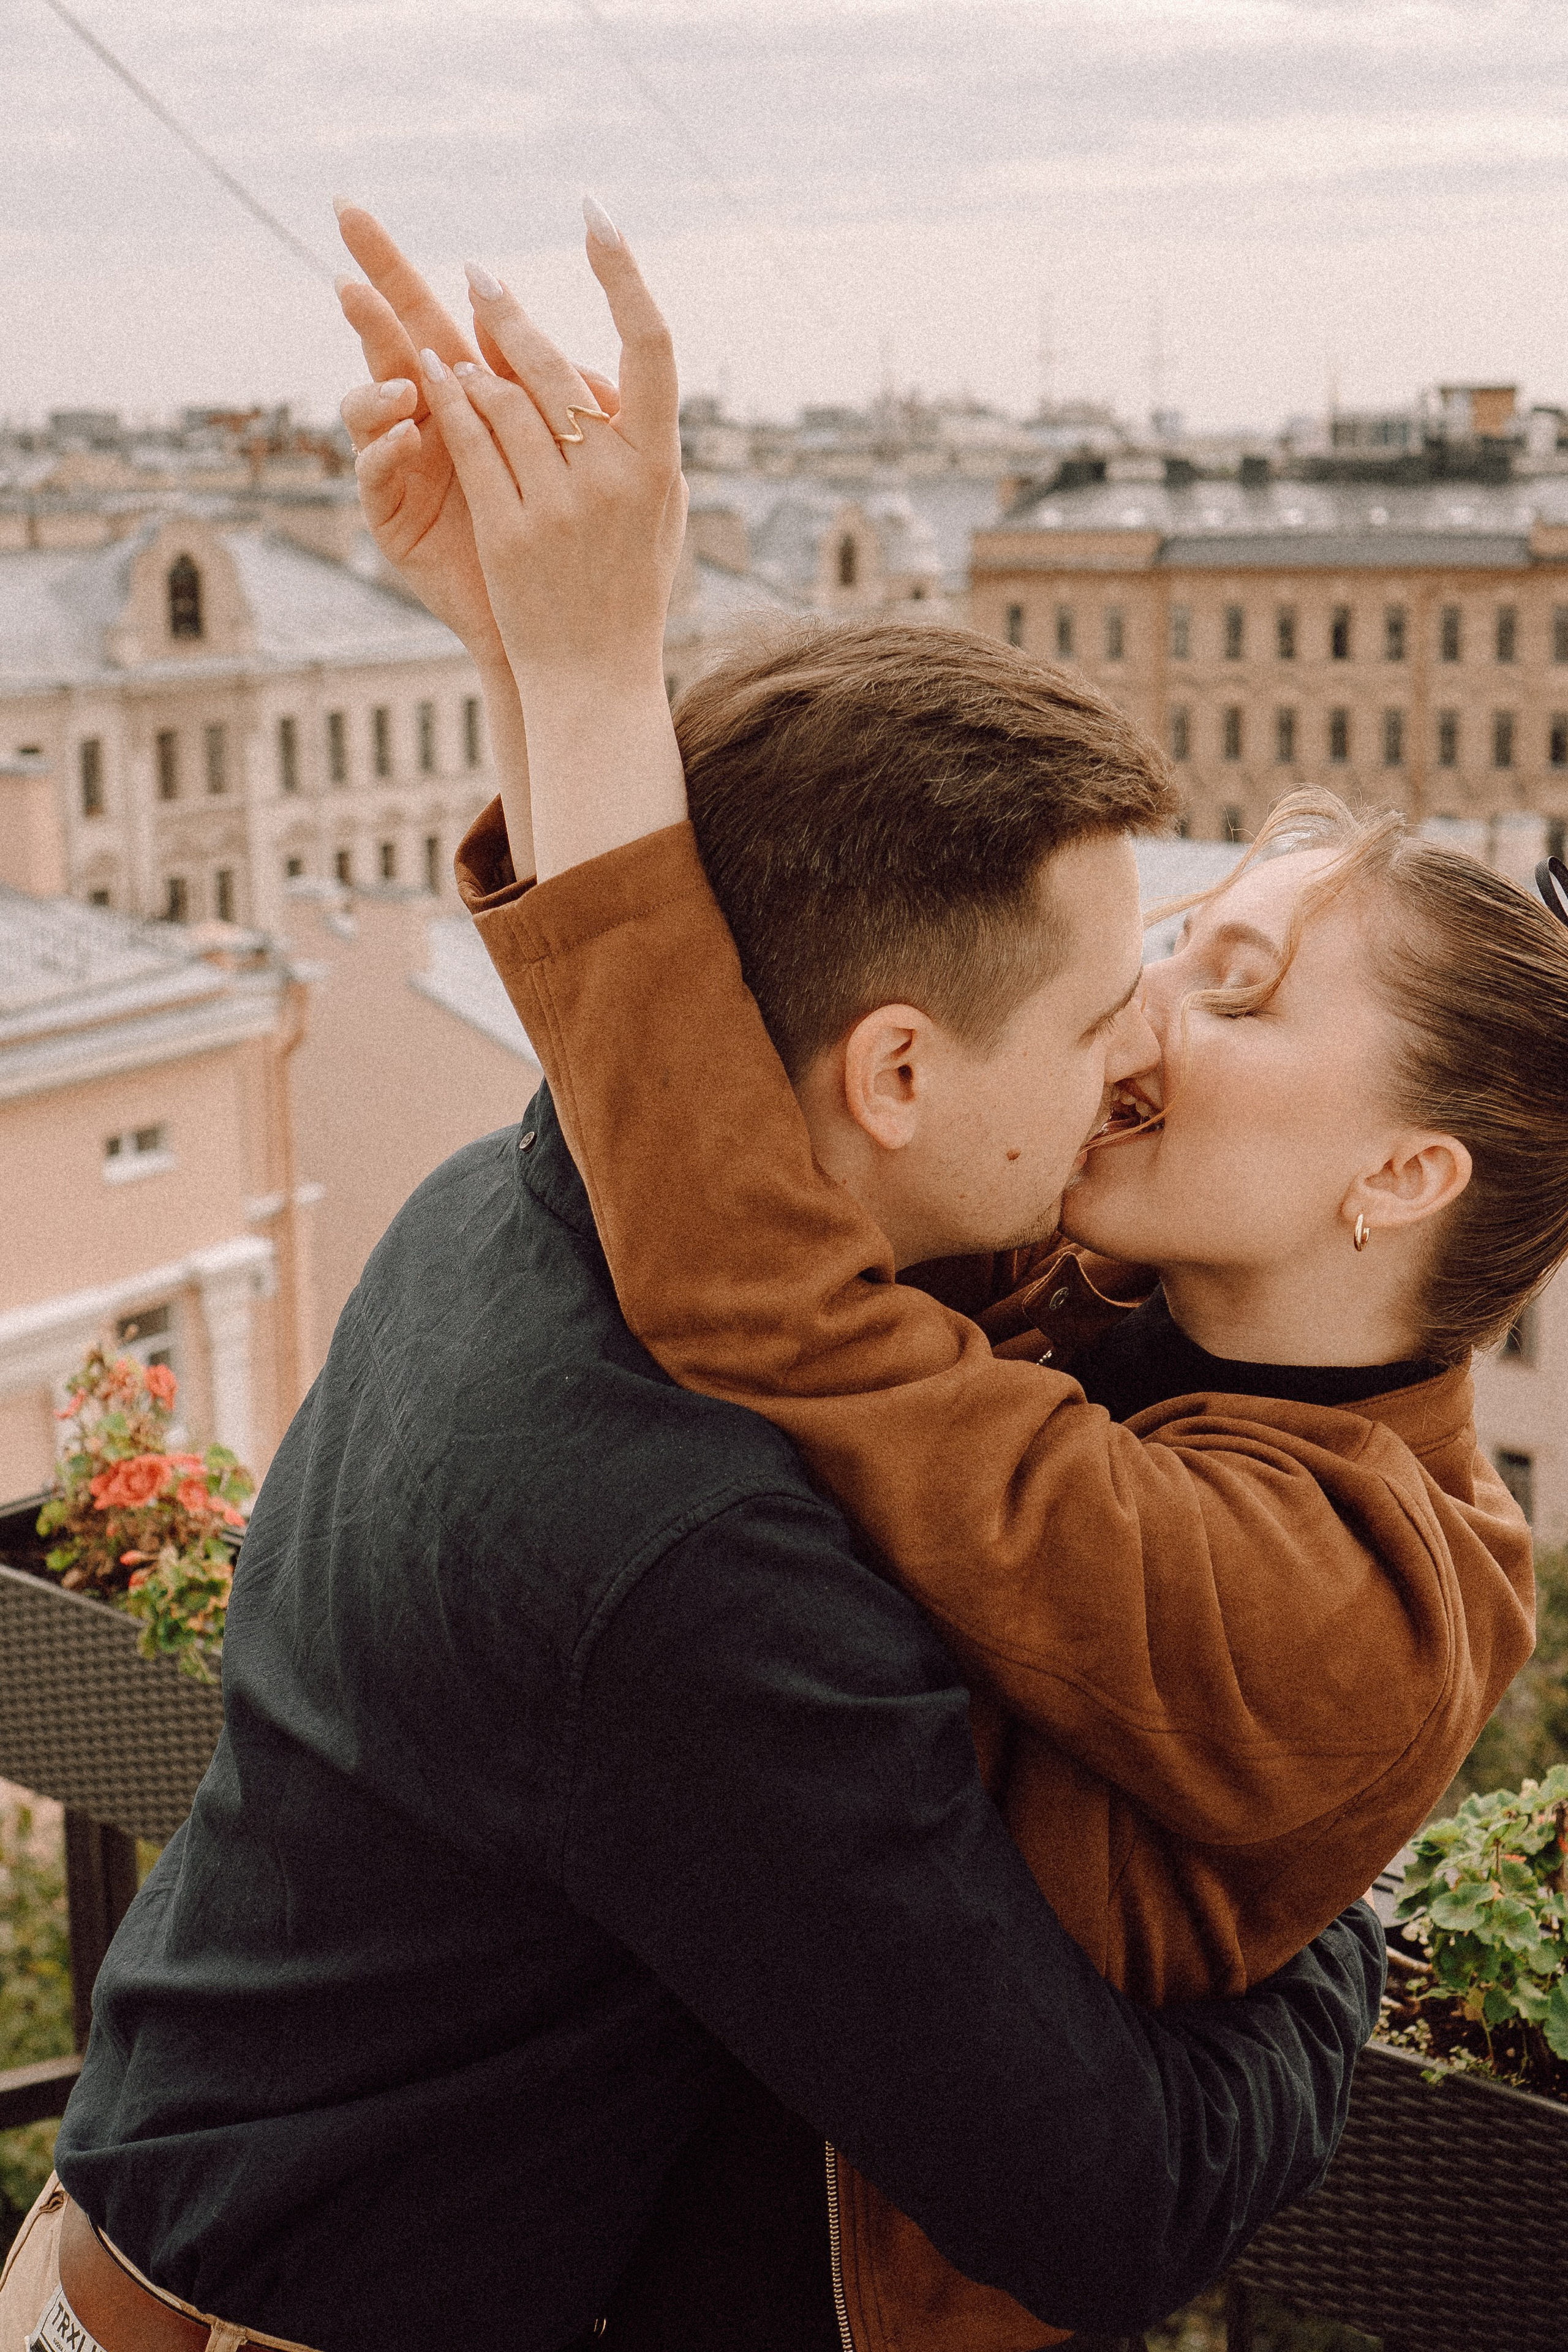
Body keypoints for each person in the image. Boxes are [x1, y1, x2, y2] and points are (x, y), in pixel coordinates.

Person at [0, 226, 1388, 2352]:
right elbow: (1106, 2206)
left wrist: (565, 660)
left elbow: (651, 1016)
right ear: (901, 1072)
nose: (1144, 1056)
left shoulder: (527, 1189)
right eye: (1111, 1004)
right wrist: (1328, 1889)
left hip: (151, 2253)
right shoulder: (693, 1554)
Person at [344, 206, 1544, 2352]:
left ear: (1405, 1175)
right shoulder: (1110, 1312)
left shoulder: (1355, 1591)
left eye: (1240, 991)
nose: (1143, 1021)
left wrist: (589, 667)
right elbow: (768, 1088)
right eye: (1175, 949)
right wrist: (531, 652)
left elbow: (772, 1291)